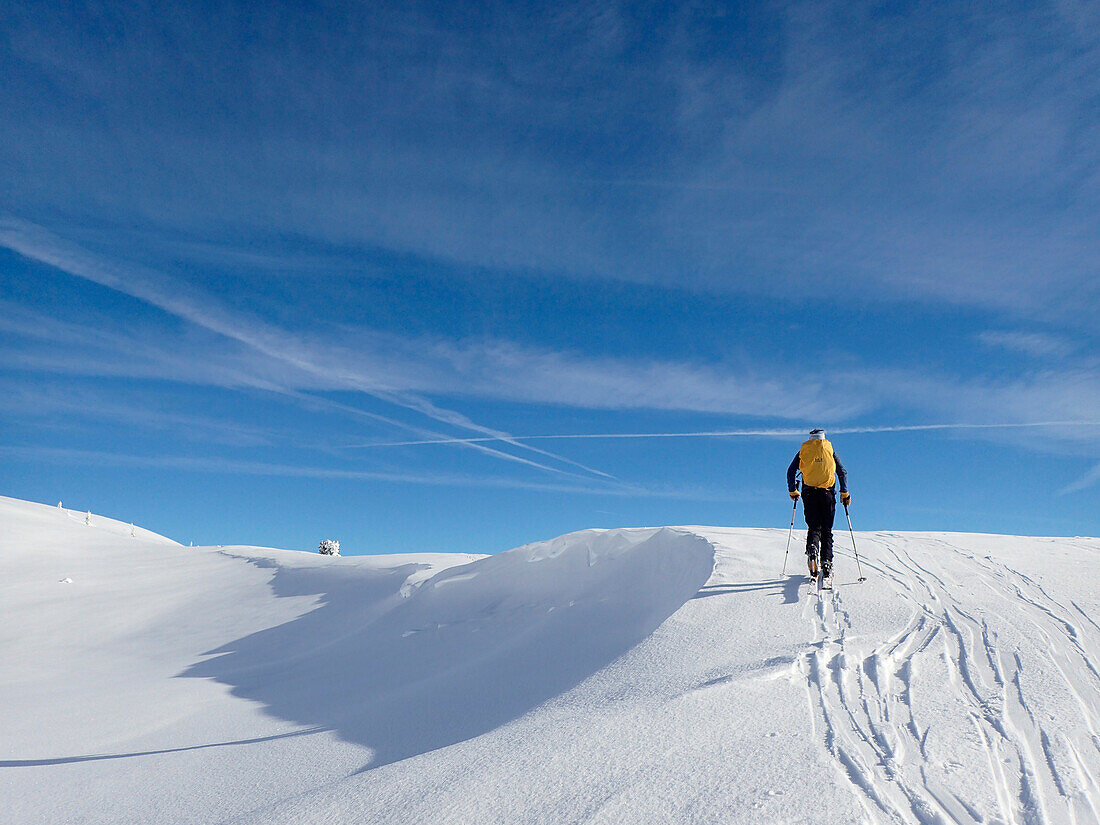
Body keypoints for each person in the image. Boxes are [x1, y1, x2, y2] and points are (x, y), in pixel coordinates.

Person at [787, 428, 850, 579]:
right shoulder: (829, 449)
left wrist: (793, 490)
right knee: (827, 529)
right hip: (827, 493)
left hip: (809, 493)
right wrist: (844, 492)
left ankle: (812, 548)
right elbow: (842, 471)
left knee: (814, 526)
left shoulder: (804, 450)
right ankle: (826, 562)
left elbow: (790, 471)